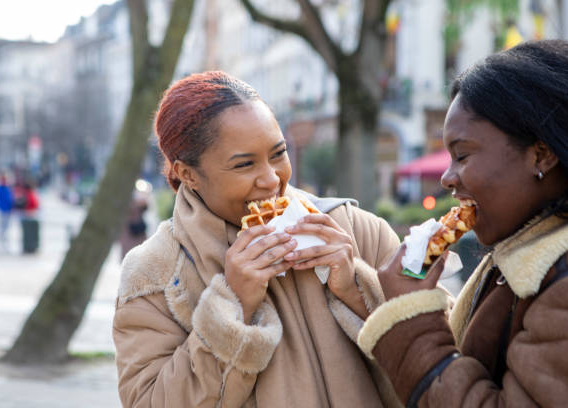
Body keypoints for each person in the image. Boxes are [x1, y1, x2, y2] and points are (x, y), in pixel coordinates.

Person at [112, 71, 403, 407]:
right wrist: (231, 305)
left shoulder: (355, 231)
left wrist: (357, 291)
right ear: (188, 174)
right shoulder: (155, 275)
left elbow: (448, 358)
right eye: (245, 165)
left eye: (278, 154)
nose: (271, 179)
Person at [355, 40, 568, 407]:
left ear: (542, 153)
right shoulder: (519, 255)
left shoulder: (560, 280)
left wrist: (413, 321)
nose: (447, 178)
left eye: (463, 155)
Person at [119, 192, 149, 260]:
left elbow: (145, 206)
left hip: (137, 233)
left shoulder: (138, 202)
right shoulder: (126, 204)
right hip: (129, 234)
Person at [0, 173, 14, 252]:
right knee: (2, 228)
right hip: (3, 211)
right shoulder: (0, 188)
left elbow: (10, 198)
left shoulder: (7, 188)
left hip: (8, 211)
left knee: (6, 228)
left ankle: (4, 243)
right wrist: (1, 207)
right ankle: (0, 242)